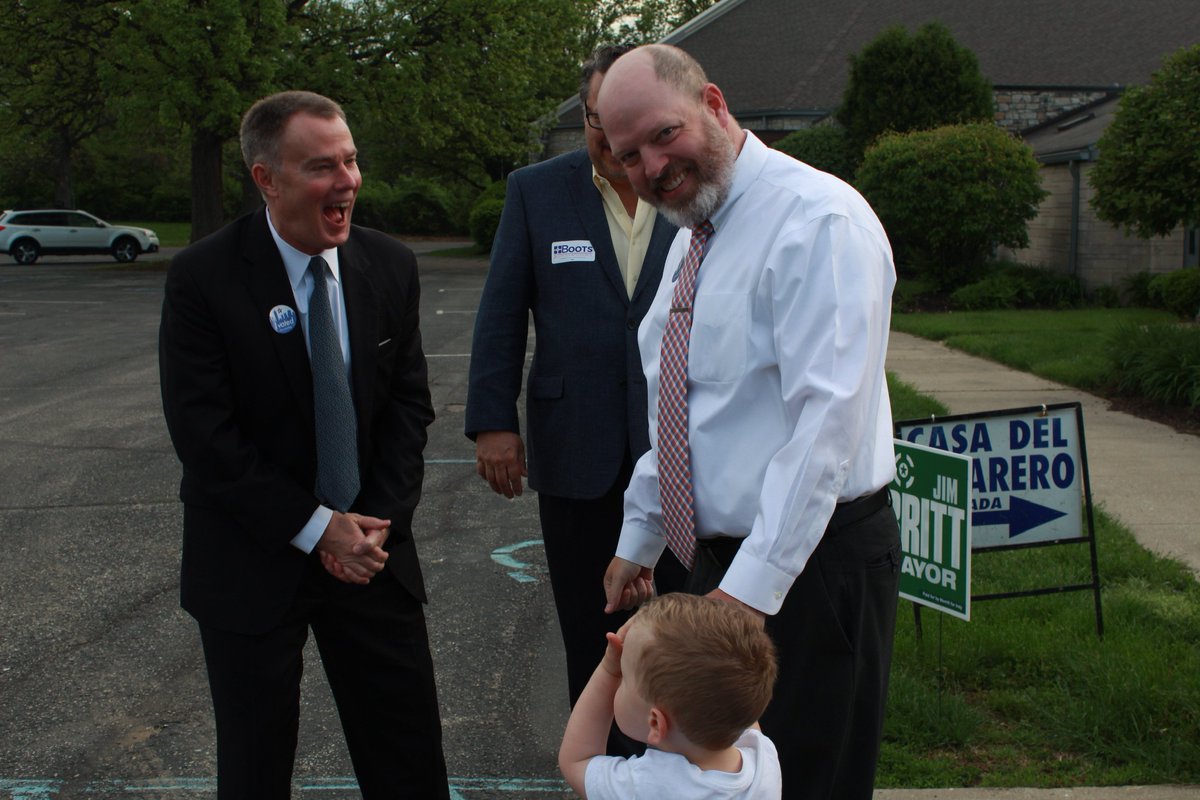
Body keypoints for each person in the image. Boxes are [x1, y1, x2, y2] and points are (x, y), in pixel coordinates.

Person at [596, 45, 903, 799]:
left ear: (714, 103)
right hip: (724, 567)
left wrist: (743, 598)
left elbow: (824, 431)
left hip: (810, 567)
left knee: (806, 779)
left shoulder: (819, 221)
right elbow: (687, 408)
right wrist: (640, 538)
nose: (652, 167)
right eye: (629, 154)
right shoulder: (694, 234)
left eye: (664, 135)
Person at [158, 90, 449, 799]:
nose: (347, 180)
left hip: (372, 556)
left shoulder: (388, 265)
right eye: (322, 166)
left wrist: (374, 522)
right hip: (252, 564)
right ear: (267, 179)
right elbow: (205, 437)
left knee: (408, 762)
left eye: (351, 160)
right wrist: (320, 529)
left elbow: (408, 406)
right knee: (255, 769)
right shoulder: (203, 278)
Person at [465, 45, 686, 753]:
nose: (605, 137)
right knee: (591, 628)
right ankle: (603, 770)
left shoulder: (685, 186)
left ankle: (683, 771)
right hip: (576, 451)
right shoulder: (537, 191)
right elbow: (502, 313)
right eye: (594, 120)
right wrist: (492, 423)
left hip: (680, 448)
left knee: (684, 628)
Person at [559, 593, 781, 799]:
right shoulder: (763, 759)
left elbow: (577, 761)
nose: (618, 681)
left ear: (656, 722)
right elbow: (733, 694)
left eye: (624, 677)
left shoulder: (644, 786)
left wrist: (608, 671)